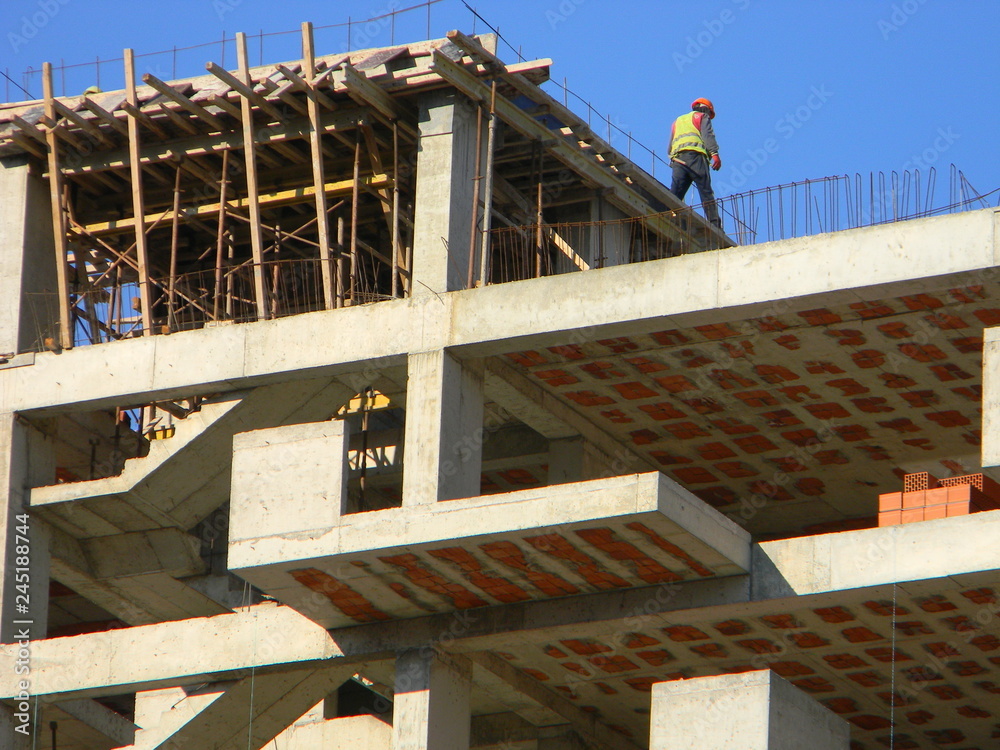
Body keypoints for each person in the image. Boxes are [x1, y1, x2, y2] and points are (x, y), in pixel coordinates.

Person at [669, 97, 722, 229]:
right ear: (706, 109)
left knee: (675, 194)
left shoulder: (678, 121)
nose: (709, 116)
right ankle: (715, 224)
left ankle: (667, 217)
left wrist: (672, 159)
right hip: (696, 157)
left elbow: (670, 144)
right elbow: (707, 135)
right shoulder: (702, 116)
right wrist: (714, 154)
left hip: (678, 159)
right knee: (706, 191)